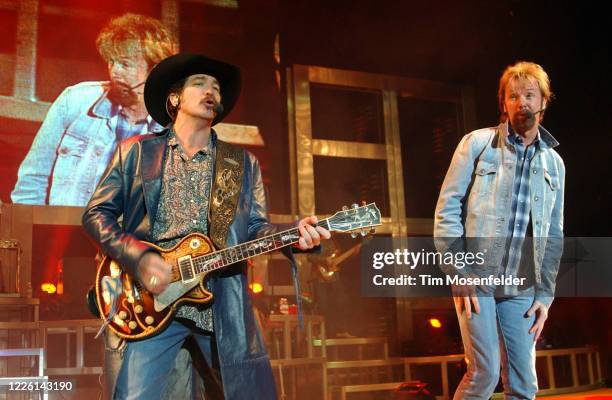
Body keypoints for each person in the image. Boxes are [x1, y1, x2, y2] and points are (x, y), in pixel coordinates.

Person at [82, 52, 330, 399]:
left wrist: (294, 237)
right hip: (151, 305)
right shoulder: (137, 152)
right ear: (175, 98)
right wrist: (139, 258)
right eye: (200, 83)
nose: (211, 90)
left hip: (219, 307)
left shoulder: (242, 163)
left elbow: (256, 229)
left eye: (216, 86)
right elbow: (96, 214)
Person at [434, 61, 564, 399]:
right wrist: (457, 271)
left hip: (522, 284)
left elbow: (554, 234)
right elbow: (447, 209)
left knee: (524, 384)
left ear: (543, 102)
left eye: (530, 95)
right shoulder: (477, 144)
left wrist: (545, 296)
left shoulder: (554, 163)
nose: (522, 102)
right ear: (504, 103)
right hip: (476, 276)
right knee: (485, 372)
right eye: (514, 96)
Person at [11, 13, 177, 206]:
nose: (115, 71)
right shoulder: (75, 100)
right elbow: (32, 181)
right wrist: (29, 233)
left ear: (155, 70)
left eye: (125, 64)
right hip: (61, 232)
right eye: (111, 61)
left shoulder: (174, 130)